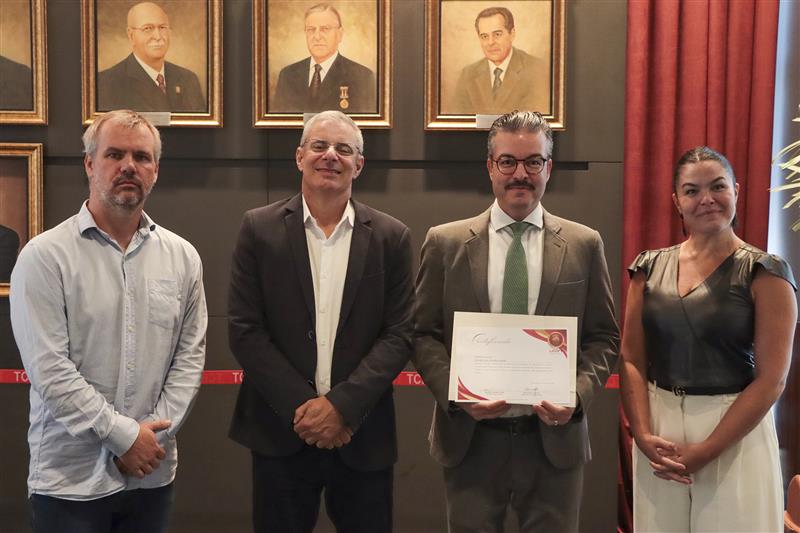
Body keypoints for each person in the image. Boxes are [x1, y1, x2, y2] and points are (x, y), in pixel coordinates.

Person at [413, 110, 619, 532]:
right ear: (490, 166)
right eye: (508, 161)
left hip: (554, 443)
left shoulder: (584, 244)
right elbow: (422, 334)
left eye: (533, 162)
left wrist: (576, 396)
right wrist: (457, 395)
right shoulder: (445, 243)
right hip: (470, 440)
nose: (520, 174)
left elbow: (604, 337)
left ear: (549, 168)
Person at [9, 109, 207, 533]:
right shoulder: (44, 257)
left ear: (156, 170)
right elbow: (50, 371)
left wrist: (150, 440)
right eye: (114, 154)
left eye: (142, 157)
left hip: (151, 475)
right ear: (89, 164)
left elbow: (189, 360)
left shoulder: (183, 258)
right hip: (69, 483)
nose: (128, 166)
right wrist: (124, 438)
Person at [228, 110, 412, 532]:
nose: (330, 155)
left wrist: (342, 408)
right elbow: (245, 329)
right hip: (280, 432)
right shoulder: (258, 229)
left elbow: (400, 334)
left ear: (359, 164)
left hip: (362, 433)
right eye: (319, 146)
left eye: (343, 149)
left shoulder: (392, 237)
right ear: (299, 157)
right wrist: (306, 410)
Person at [620, 146, 797, 532]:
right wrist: (643, 435)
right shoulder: (647, 267)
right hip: (660, 428)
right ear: (676, 201)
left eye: (718, 186)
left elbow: (772, 380)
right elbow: (631, 358)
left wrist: (707, 450)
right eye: (692, 190)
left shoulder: (766, 272)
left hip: (734, 428)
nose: (707, 199)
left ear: (736, 190)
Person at [97, 2, 205, 113]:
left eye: (162, 27)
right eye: (147, 28)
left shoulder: (188, 79)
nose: (158, 36)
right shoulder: (105, 83)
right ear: (131, 35)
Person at [272, 3, 376, 114]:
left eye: (325, 29)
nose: (317, 37)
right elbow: (280, 121)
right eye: (311, 29)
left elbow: (365, 122)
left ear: (340, 34)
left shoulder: (362, 77)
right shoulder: (287, 75)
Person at [451, 7, 549, 116]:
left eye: (497, 34)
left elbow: (536, 121)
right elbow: (458, 120)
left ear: (512, 34)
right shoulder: (468, 74)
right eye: (484, 36)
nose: (490, 42)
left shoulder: (536, 70)